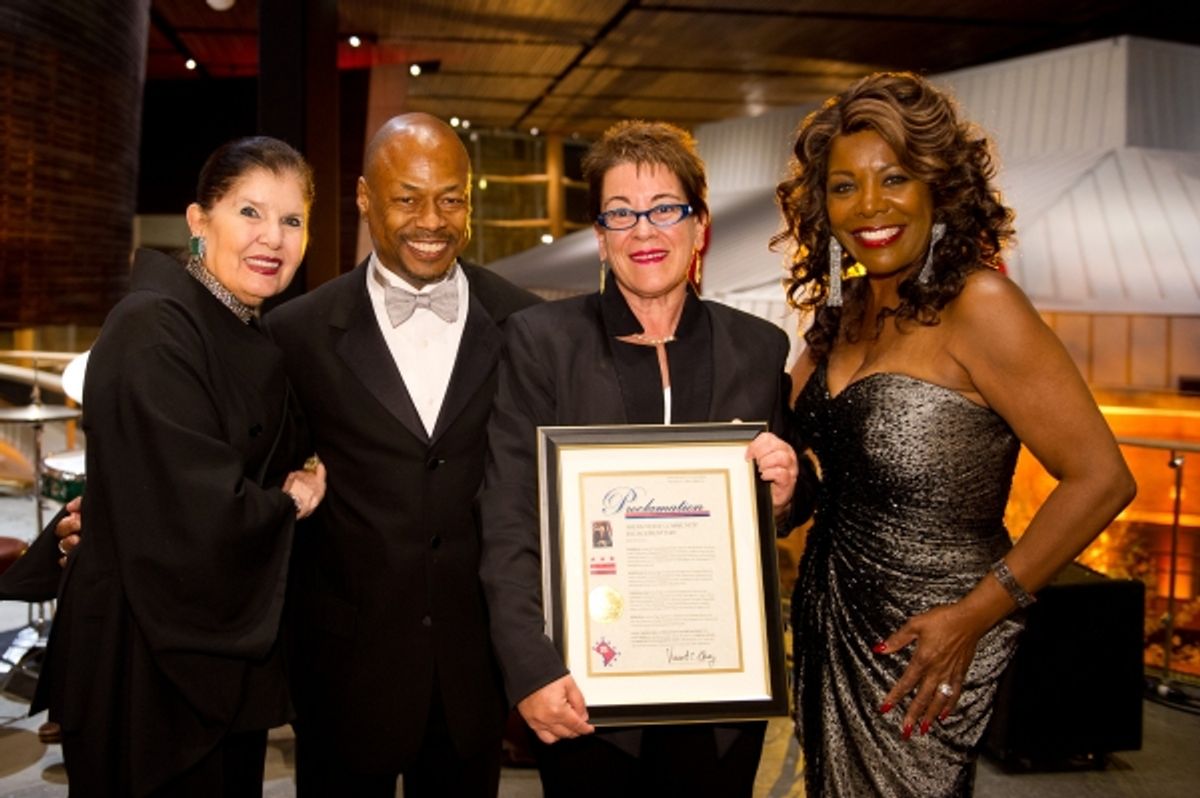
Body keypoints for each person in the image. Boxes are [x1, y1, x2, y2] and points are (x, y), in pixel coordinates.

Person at [774, 72, 1136, 796]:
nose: (869, 205)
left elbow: (1103, 478)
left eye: (895, 178)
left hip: (926, 646)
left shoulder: (982, 305)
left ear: (938, 187)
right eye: (843, 187)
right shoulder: (839, 318)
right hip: (826, 626)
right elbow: (794, 466)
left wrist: (974, 616)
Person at [478, 120, 808, 797]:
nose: (644, 231)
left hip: (721, 690)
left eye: (665, 209)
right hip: (583, 691)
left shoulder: (758, 347)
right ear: (599, 236)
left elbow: (776, 508)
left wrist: (783, 492)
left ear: (700, 225)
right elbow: (508, 516)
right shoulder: (540, 343)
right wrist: (530, 668)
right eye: (621, 214)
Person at [32, 136, 328, 796]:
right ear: (199, 223)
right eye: (250, 212)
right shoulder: (152, 326)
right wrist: (293, 501)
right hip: (143, 662)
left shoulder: (248, 332)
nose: (271, 238)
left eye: (291, 220)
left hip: (216, 651)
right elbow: (194, 503)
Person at [265, 113, 539, 796]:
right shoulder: (295, 332)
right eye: (407, 197)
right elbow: (256, 473)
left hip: (472, 676)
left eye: (451, 197)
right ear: (363, 199)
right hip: (341, 673)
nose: (432, 219)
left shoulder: (527, 325)